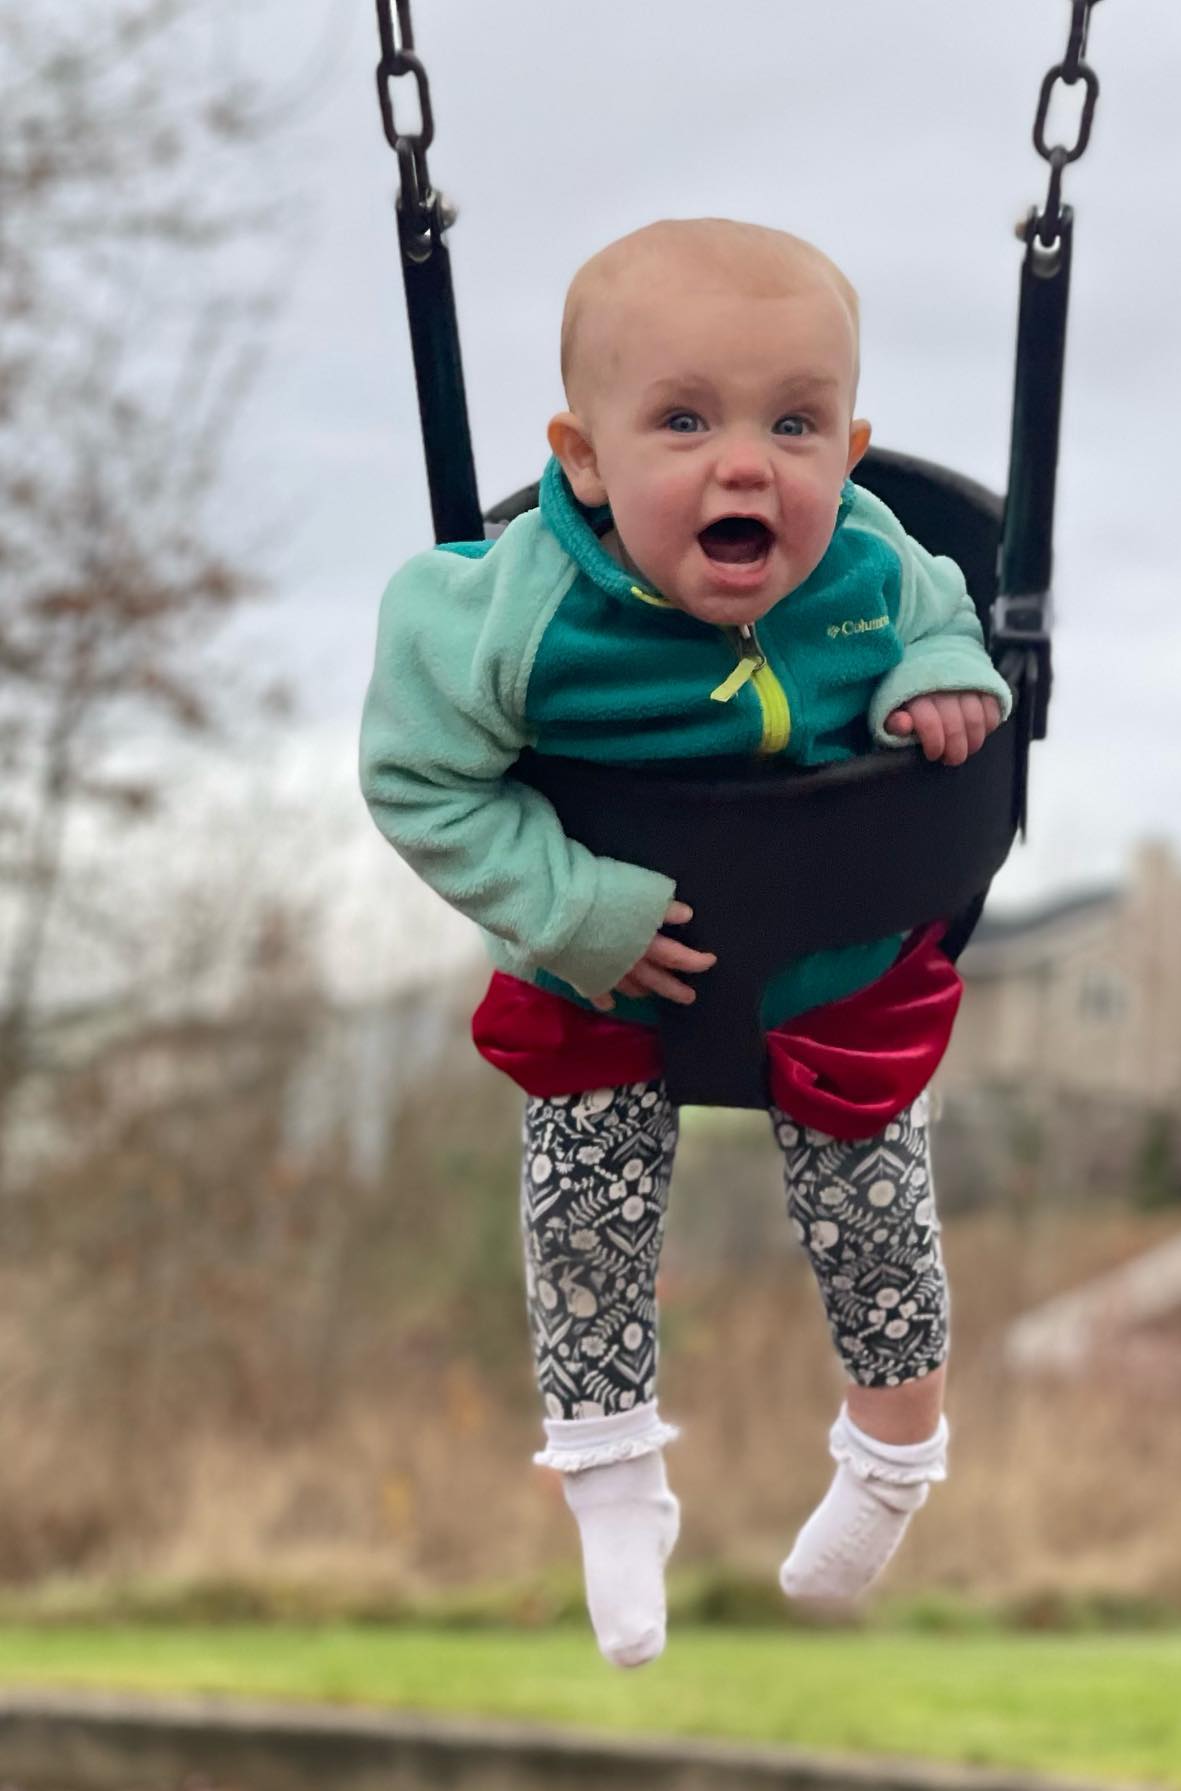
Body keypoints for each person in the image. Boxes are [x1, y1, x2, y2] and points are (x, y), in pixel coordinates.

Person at [359, 217, 1011, 1669]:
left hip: (832, 971)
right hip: (608, 971)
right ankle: (609, 1482)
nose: (745, 464)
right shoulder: (506, 611)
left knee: (880, 1226)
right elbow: (417, 777)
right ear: (582, 459)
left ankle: (893, 1460)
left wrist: (945, 673)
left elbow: (949, 615)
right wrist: (572, 907)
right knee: (585, 1215)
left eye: (794, 423)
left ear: (848, 449)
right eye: (681, 421)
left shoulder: (873, 557)